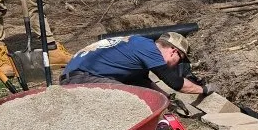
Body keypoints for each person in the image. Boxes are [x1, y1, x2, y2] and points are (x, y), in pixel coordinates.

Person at [60, 31, 209, 96]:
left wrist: (164, 98)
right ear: (173, 51)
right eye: (180, 60)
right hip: (83, 79)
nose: (177, 65)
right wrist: (203, 90)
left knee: (139, 92)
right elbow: (175, 83)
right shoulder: (149, 50)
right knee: (133, 99)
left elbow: (143, 82)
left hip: (72, 76)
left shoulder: (137, 45)